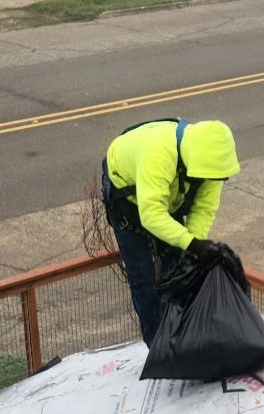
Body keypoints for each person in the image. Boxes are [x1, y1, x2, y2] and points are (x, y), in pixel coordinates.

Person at [101, 117, 241, 342]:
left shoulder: (213, 165)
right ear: (196, 162)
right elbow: (151, 214)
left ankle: (183, 335)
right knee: (143, 280)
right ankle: (160, 349)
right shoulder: (158, 153)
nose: (215, 180)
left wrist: (193, 246)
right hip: (128, 198)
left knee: (179, 266)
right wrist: (191, 243)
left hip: (166, 194)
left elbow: (203, 209)